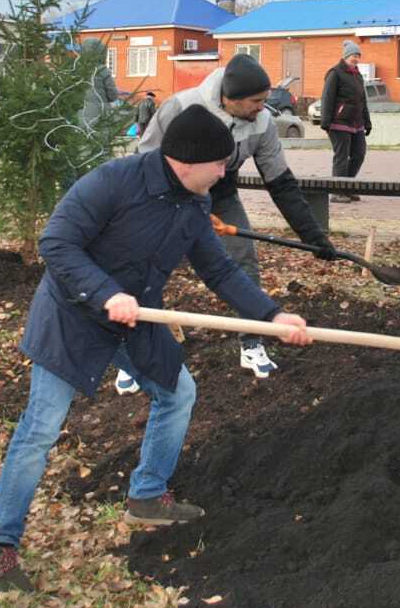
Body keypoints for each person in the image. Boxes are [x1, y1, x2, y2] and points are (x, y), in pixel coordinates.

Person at [0, 104, 314, 594]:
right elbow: (57, 244)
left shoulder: (195, 204)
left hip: (136, 317)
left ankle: (148, 495)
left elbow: (219, 271)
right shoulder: (114, 181)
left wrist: (272, 316)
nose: (225, 172)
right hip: (72, 314)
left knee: (178, 393)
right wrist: (106, 292)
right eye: (219, 164)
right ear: (187, 161)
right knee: (40, 429)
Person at [135, 54, 338, 382]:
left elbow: (281, 182)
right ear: (231, 99)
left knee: (243, 263)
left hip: (222, 194)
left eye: (265, 99)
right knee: (146, 266)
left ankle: (251, 342)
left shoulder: (262, 124)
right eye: (257, 101)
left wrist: (312, 237)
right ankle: (133, 351)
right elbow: (143, 159)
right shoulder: (180, 107)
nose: (263, 107)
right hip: (169, 195)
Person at [320, 40, 371, 200]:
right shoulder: (335, 73)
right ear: (346, 56)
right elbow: (327, 97)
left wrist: (367, 122)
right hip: (338, 122)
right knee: (341, 156)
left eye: (357, 56)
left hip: (356, 123)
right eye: (352, 55)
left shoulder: (358, 75)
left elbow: (362, 100)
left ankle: (347, 187)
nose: (355, 58)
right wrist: (326, 121)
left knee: (359, 154)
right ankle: (337, 191)